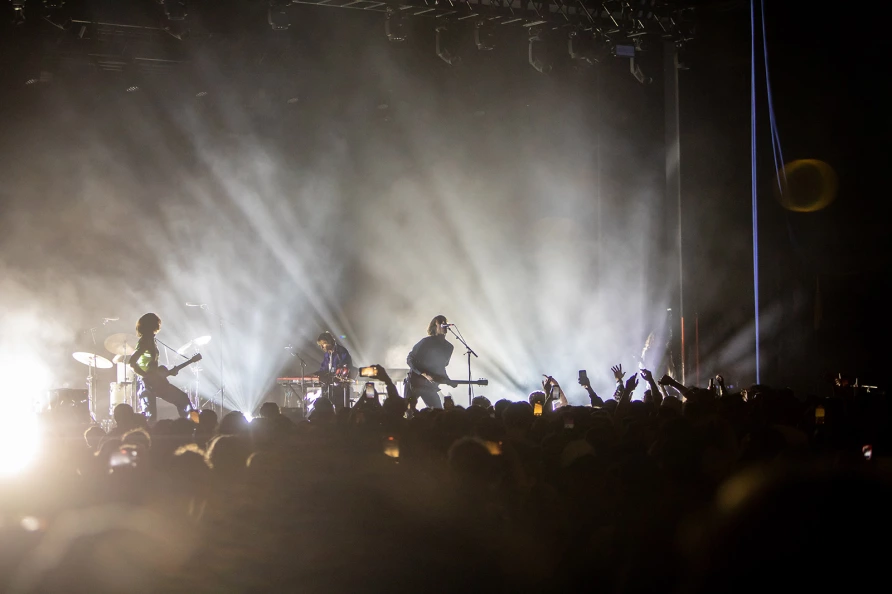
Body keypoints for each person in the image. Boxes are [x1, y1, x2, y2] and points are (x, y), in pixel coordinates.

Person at [129, 313, 191, 421]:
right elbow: (132, 362)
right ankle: (192, 427)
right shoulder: (145, 341)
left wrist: (165, 373)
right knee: (151, 416)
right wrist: (147, 376)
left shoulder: (151, 340)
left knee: (181, 400)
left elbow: (150, 365)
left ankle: (189, 425)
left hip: (154, 382)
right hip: (147, 383)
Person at [405, 315, 458, 411]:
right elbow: (410, 359)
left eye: (445, 322)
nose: (444, 324)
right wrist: (424, 374)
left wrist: (448, 380)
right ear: (434, 327)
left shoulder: (449, 347)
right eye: (441, 322)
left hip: (430, 386)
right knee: (408, 411)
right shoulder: (425, 342)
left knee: (438, 411)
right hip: (414, 383)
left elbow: (441, 367)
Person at [314, 331, 354, 410]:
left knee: (340, 409)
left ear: (329, 342)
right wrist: (317, 375)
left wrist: (336, 374)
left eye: (323, 344)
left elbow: (345, 368)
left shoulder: (341, 352)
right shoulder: (327, 354)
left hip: (341, 387)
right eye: (320, 345)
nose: (322, 347)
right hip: (330, 386)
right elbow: (323, 368)